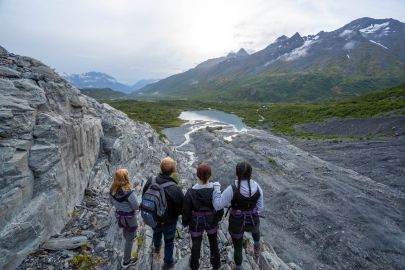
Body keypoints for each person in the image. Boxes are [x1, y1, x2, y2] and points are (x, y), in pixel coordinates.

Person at [213, 161, 264, 270]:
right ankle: (256, 246)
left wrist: (216, 189)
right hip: (252, 220)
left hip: (236, 222)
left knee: (238, 248)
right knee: (256, 230)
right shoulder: (257, 187)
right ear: (251, 173)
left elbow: (218, 205)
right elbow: (260, 207)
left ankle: (239, 268)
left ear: (237, 173)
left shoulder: (232, 189)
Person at [142, 157, 184, 269]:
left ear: (160, 168)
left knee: (156, 232)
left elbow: (144, 196)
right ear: (173, 171)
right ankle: (168, 263)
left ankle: (156, 247)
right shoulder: (175, 188)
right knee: (169, 241)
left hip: (154, 217)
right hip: (169, 222)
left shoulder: (151, 180)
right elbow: (181, 208)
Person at [182, 163, 223, 270]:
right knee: (214, 243)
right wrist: (218, 217)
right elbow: (219, 207)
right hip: (212, 221)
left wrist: (186, 222)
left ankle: (194, 266)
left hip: (196, 223)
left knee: (196, 246)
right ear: (210, 175)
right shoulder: (215, 190)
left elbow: (186, 210)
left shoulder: (190, 192)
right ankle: (216, 265)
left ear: (197, 175)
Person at [109, 168, 139, 268]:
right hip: (130, 218)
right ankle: (126, 261)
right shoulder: (129, 192)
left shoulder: (112, 189)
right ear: (126, 178)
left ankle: (127, 240)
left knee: (126, 233)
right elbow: (136, 206)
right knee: (130, 239)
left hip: (119, 216)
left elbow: (112, 202)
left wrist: (120, 207)